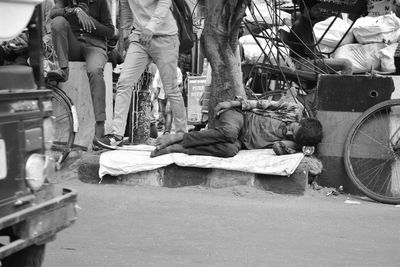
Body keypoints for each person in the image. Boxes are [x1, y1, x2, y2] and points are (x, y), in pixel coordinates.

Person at [94, 0, 187, 149]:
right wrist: (125, 34)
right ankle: (116, 135)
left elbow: (165, 2)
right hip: (139, 38)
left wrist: (151, 27)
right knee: (124, 82)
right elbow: (125, 6)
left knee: (171, 89)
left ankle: (183, 135)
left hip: (165, 37)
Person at [150, 97, 323, 158]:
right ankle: (177, 137)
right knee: (229, 132)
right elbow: (262, 103)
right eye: (294, 128)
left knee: (229, 150)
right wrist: (232, 103)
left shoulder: (293, 142)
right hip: (239, 117)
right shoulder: (294, 110)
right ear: (301, 121)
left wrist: (296, 145)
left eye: (294, 135)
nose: (291, 132)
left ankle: (178, 148)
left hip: (240, 140)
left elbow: (278, 149)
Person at [48, 0, 116, 138]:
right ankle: (64, 69)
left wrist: (89, 21)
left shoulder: (100, 2)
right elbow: (53, 13)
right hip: (74, 46)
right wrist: (73, 11)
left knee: (95, 71)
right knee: (58, 22)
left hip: (94, 46)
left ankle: (100, 125)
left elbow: (110, 31)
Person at [153, 66, 183, 135]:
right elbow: (156, 79)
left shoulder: (177, 70)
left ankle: (167, 130)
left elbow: (179, 82)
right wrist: (155, 88)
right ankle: (167, 125)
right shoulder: (160, 69)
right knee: (163, 111)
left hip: (172, 93)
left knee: (168, 111)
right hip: (162, 93)